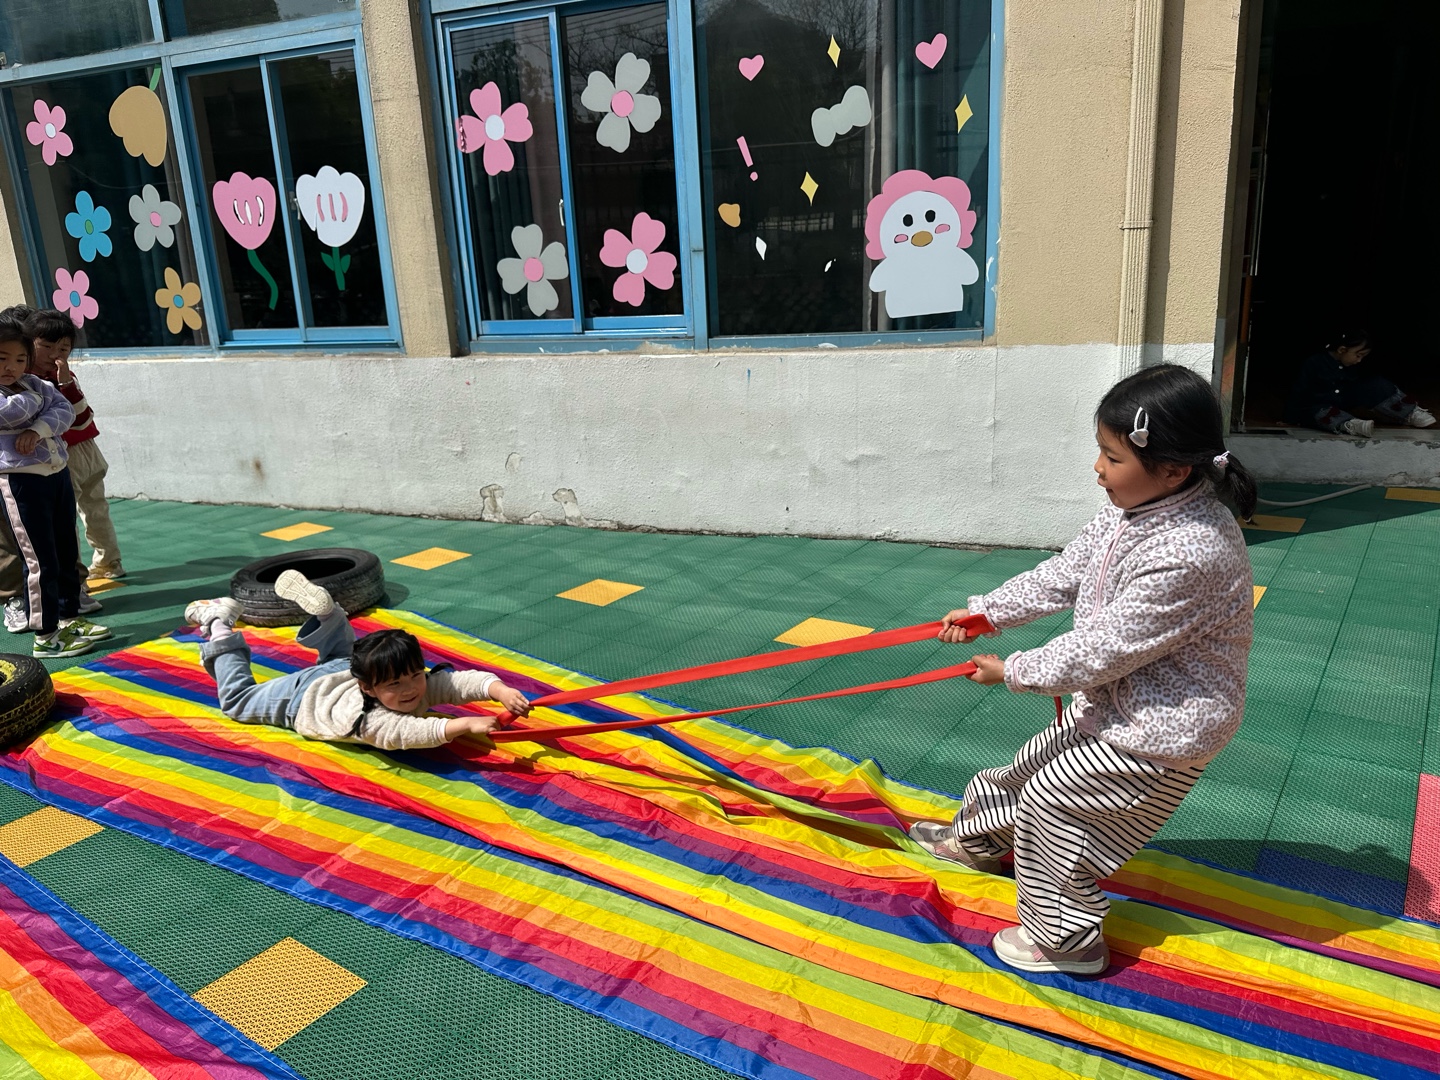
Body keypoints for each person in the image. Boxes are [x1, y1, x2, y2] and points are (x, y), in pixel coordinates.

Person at [908, 364, 1254, 976]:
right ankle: (982, 842)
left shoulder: (1192, 551)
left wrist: (1012, 670)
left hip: (1161, 728)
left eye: (1112, 457)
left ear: (1173, 470)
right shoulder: (1129, 511)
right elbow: (1065, 572)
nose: (1098, 468)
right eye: (1100, 450)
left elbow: (1105, 648)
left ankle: (1068, 941)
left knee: (1056, 806)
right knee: (1027, 769)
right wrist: (990, 612)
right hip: (1116, 702)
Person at [185, 570, 532, 749]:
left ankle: (329, 615)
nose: (411, 688)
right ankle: (219, 623)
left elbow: (459, 683)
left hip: (347, 670)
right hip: (304, 697)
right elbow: (408, 731)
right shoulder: (368, 721)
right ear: (369, 688)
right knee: (237, 701)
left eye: (415, 675)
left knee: (344, 655)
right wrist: (465, 725)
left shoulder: (401, 682)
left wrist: (499, 691)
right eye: (397, 683)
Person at [0, 313, 109, 658]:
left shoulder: (35, 384)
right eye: (3, 359)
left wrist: (39, 429)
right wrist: (39, 402)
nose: (12, 367)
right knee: (40, 560)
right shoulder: (33, 389)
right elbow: (10, 413)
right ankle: (46, 636)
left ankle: (68, 618)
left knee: (65, 551)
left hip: (57, 473)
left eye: (20, 360)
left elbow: (67, 413)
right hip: (21, 481)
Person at [1284, 329, 1437, 437]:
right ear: (1342, 350)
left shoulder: (1351, 365)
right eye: (1358, 355)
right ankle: (1348, 424)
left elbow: (1360, 388)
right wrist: (1290, 418)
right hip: (1319, 405)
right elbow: (1299, 390)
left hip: (1343, 399)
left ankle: (1408, 412)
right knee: (1317, 412)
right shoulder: (1314, 363)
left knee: (1376, 384)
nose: (1359, 360)